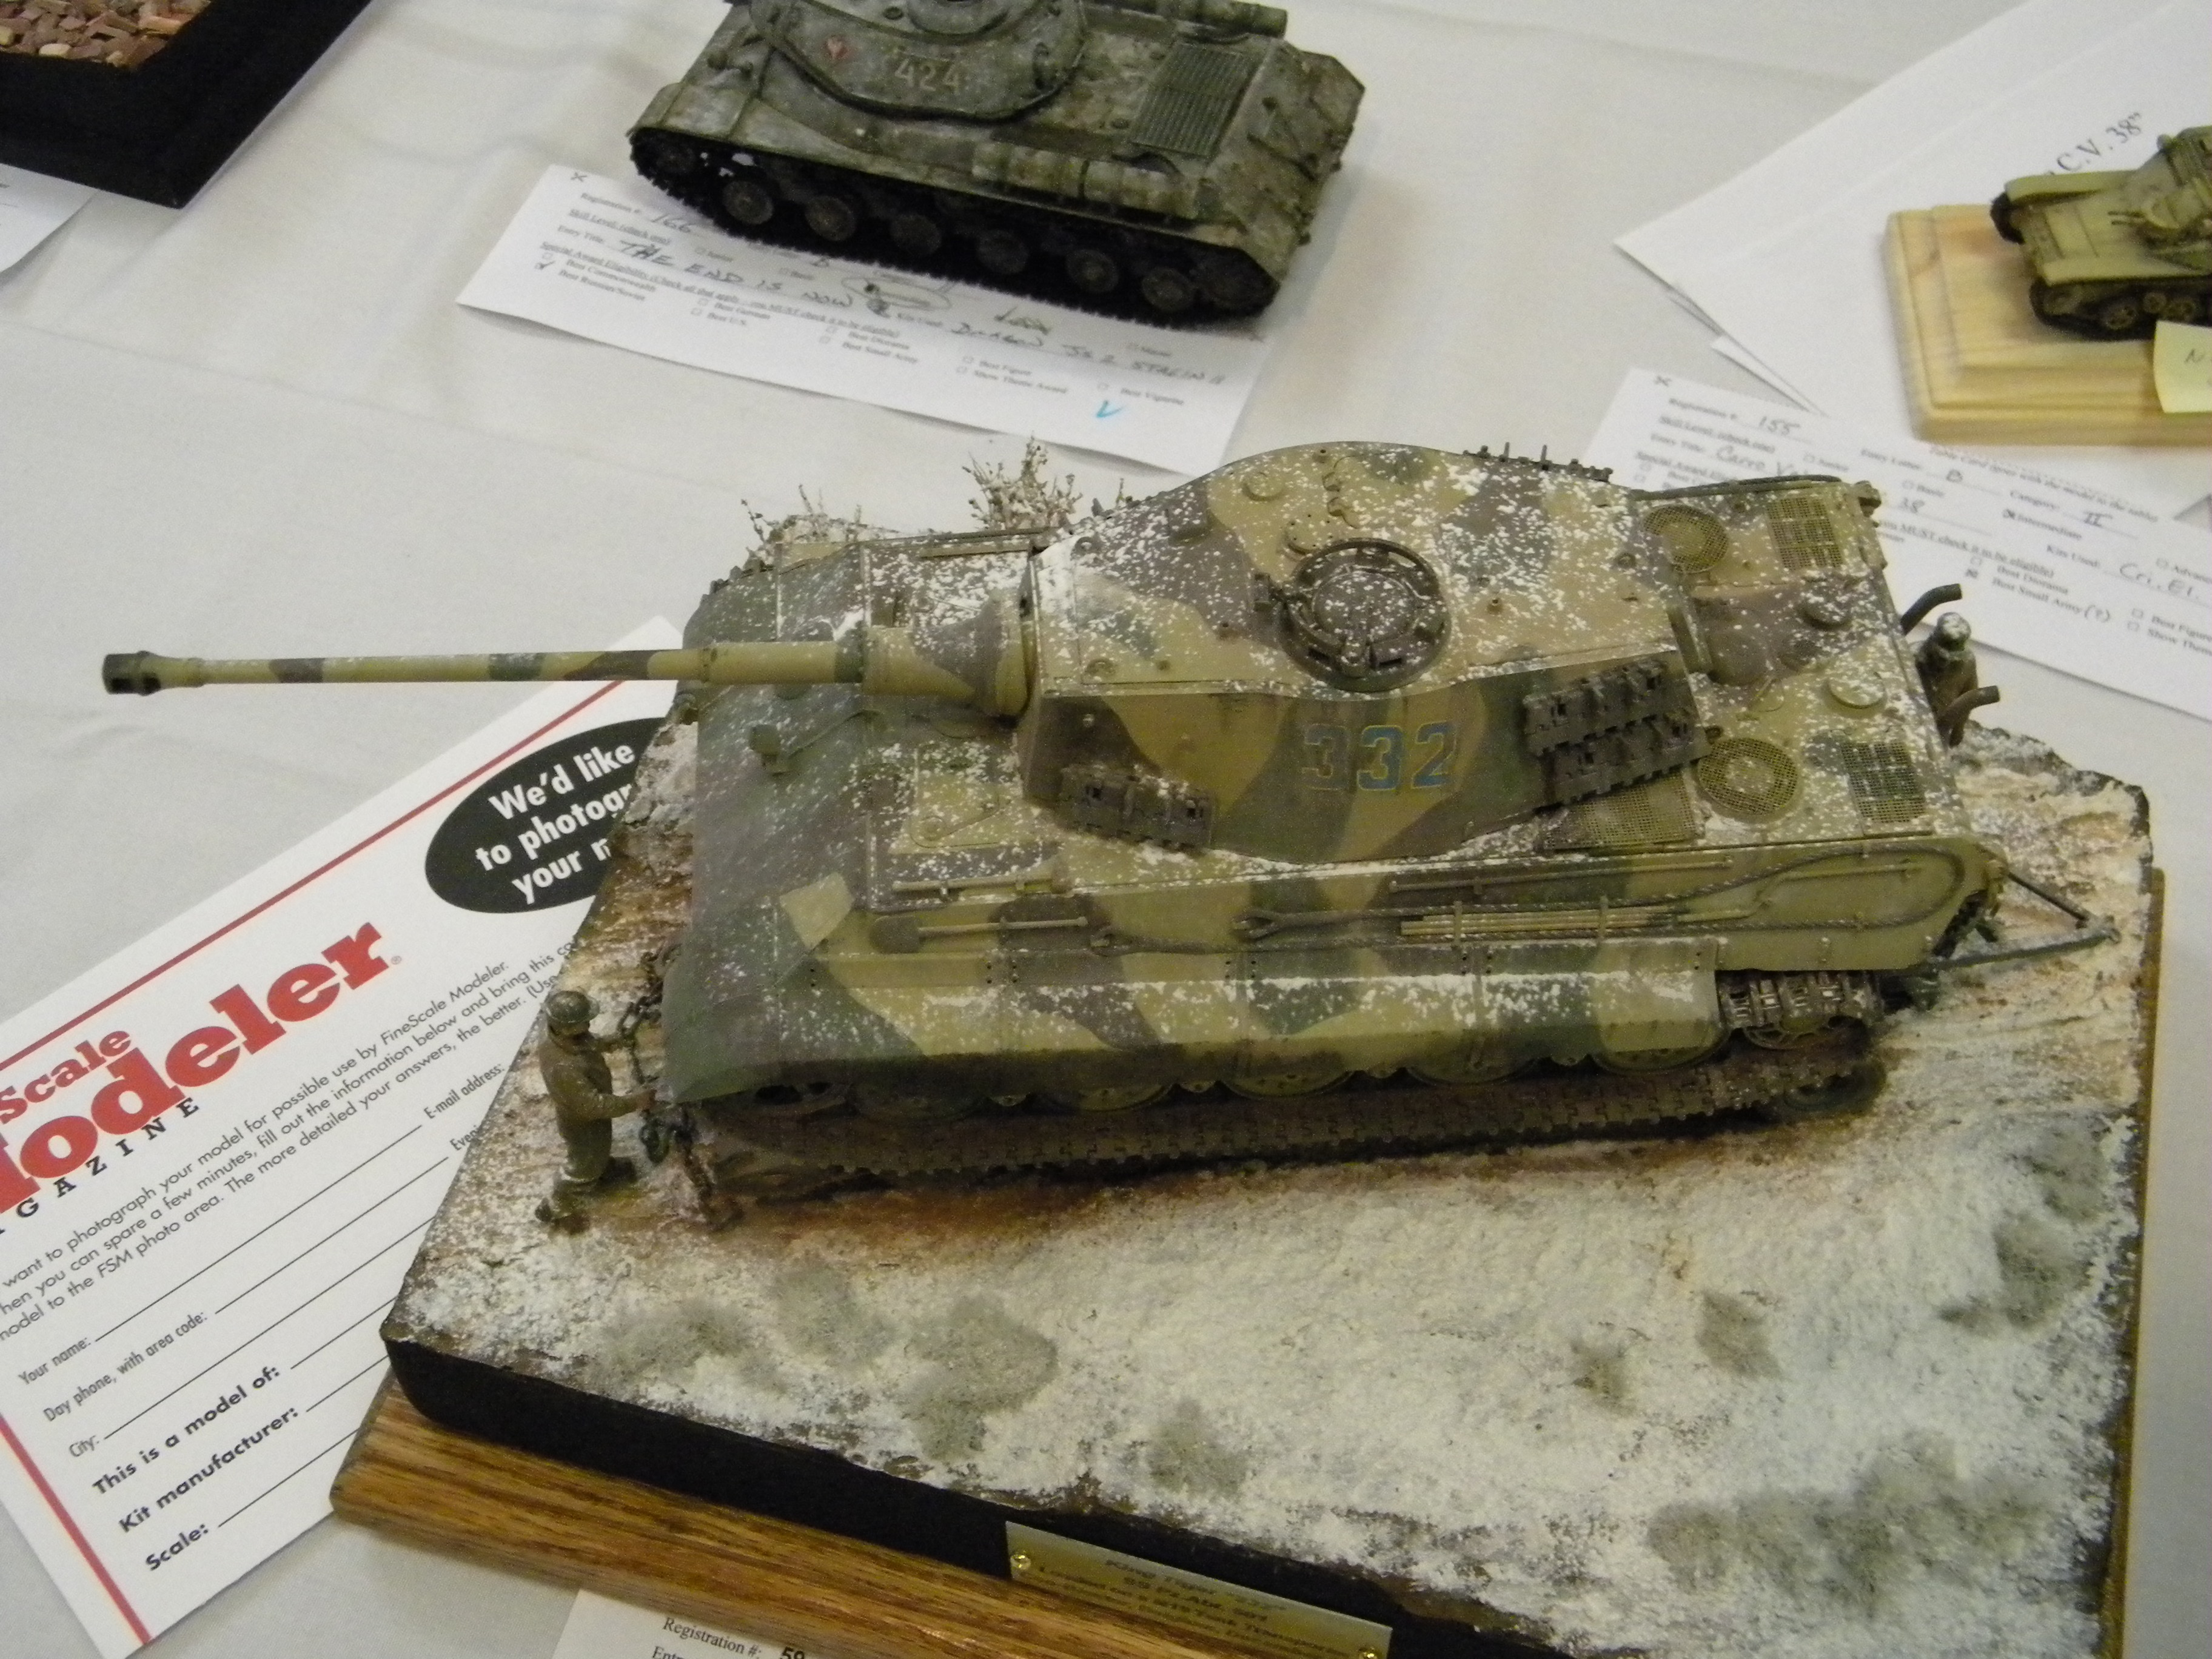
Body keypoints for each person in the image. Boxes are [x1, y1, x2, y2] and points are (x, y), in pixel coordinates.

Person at [534, 988, 652, 1230]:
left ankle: (602, 1170)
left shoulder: (559, 1034)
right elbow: (593, 1106)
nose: (589, 1024)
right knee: (583, 1165)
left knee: (598, 1150)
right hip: (583, 1122)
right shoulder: (564, 1067)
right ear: (566, 1029)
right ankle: (559, 1205)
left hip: (586, 1116)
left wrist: (610, 1042)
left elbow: (587, 1042)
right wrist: (635, 1102)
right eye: (583, 1022)